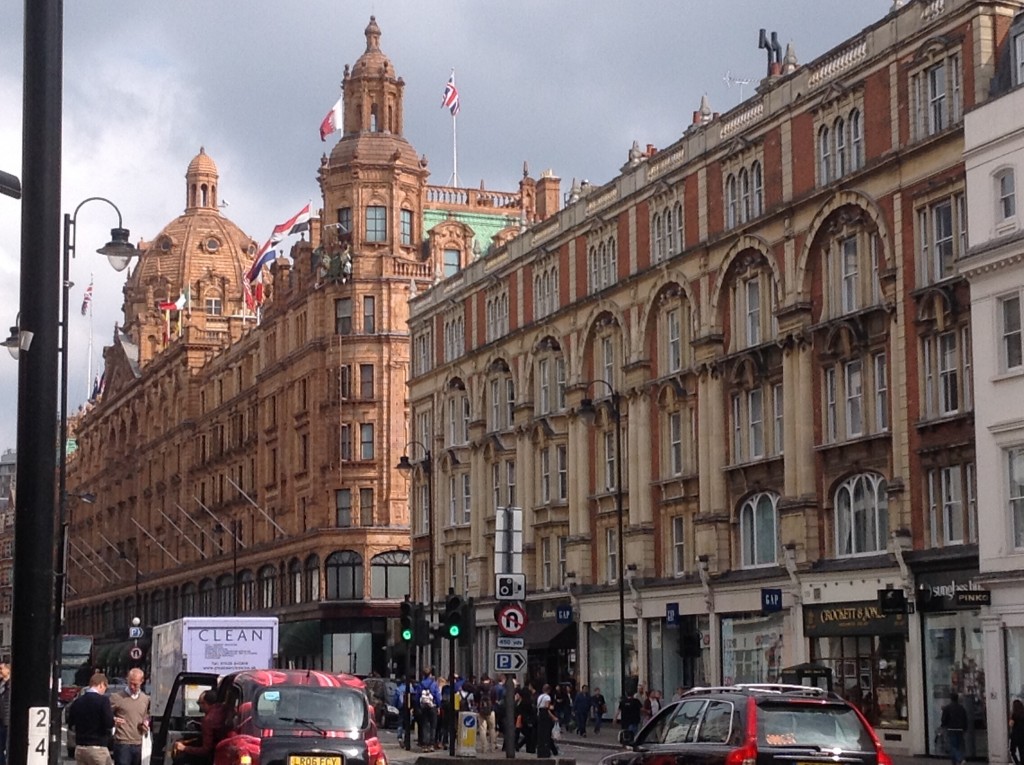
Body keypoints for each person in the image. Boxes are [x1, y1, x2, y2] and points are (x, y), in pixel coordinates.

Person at [67, 672, 115, 765]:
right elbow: (108, 723)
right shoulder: (103, 701)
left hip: (80, 748)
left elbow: (71, 723)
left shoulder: (77, 702)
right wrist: (113, 721)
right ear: (101, 684)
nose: (104, 690)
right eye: (105, 687)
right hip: (97, 747)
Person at [171, 689, 229, 765]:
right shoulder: (224, 709)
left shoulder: (208, 720)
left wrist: (184, 748)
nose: (199, 706)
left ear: (205, 704)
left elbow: (206, 750)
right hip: (225, 750)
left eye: (199, 703)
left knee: (179, 760)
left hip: (216, 756)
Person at [110, 668, 150, 765]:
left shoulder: (145, 699)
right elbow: (105, 714)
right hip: (122, 743)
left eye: (135, 684)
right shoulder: (117, 697)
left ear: (142, 681)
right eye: (130, 683)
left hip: (138, 743)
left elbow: (146, 716)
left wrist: (146, 723)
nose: (132, 687)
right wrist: (113, 720)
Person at [414, 667, 440, 752]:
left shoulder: (420, 684)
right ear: (430, 674)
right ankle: (431, 745)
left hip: (423, 707)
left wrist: (418, 706)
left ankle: (425, 745)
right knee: (433, 726)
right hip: (432, 706)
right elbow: (437, 696)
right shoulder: (434, 684)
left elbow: (417, 697)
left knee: (425, 725)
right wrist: (438, 706)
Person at [941, 692, 968, 765]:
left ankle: (960, 759)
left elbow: (944, 719)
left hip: (951, 729)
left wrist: (943, 726)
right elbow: (965, 719)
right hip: (960, 729)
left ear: (951, 699)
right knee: (959, 746)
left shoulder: (947, 708)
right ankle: (954, 762)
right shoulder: (961, 708)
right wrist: (965, 728)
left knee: (952, 746)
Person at [475, 677, 497, 754]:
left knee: (482, 729)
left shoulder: (478, 688)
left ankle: (484, 748)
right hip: (491, 710)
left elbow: (476, 699)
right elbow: (494, 699)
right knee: (492, 728)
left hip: (480, 710)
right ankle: (493, 747)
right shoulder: (493, 688)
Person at [0, 663, 10, 765]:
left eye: (1, 669)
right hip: (1, 720)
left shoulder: (11, 685)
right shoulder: (2, 683)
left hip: (7, 721)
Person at [1010, 699, 1024, 765]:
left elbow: (1011, 724)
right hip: (1022, 736)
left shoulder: (1014, 715)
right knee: (1022, 752)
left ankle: (1017, 763)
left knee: (1012, 751)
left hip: (1015, 736)